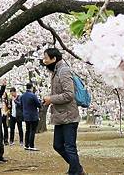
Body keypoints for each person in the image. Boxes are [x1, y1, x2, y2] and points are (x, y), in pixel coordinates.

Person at [42, 47, 86, 175]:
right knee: (58, 145)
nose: (44, 61)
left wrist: (51, 99)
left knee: (70, 147)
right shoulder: (56, 71)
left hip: (69, 116)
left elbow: (69, 95)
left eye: (46, 58)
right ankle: (77, 169)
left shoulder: (64, 71)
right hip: (61, 117)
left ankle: (75, 171)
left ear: (54, 59)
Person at [21, 82, 41, 151]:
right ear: (31, 88)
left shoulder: (22, 96)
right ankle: (31, 145)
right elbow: (39, 105)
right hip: (33, 115)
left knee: (27, 130)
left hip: (26, 115)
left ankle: (26, 145)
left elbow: (21, 105)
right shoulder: (33, 95)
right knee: (32, 131)